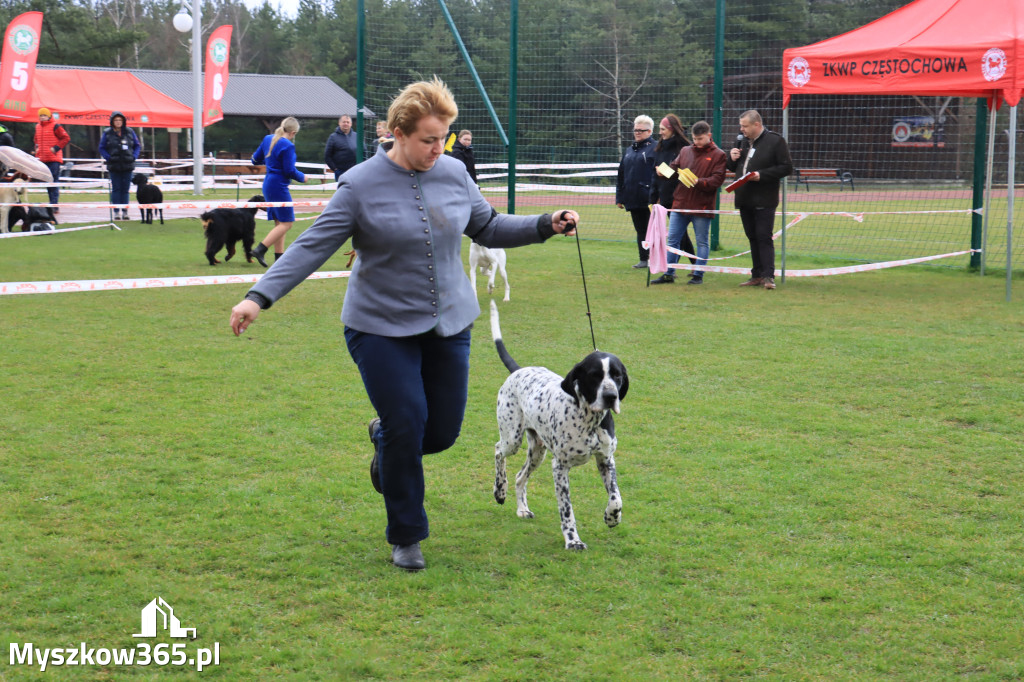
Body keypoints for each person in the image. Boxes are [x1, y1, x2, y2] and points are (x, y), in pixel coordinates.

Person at [229, 77, 579, 572]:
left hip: (450, 324)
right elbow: (311, 246)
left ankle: (383, 438)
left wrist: (545, 224)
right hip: (378, 328)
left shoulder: (456, 173)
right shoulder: (359, 185)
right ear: (397, 132)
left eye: (444, 139)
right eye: (428, 140)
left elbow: (489, 226)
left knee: (439, 433)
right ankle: (407, 535)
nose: (438, 149)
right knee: (406, 421)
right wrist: (258, 297)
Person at [726, 110, 793, 290]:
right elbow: (733, 167)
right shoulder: (741, 141)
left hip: (764, 197)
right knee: (752, 237)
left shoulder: (775, 141)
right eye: (741, 126)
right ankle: (756, 275)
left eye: (745, 126)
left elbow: (786, 168)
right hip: (744, 196)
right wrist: (730, 158)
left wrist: (761, 175)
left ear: (757, 124)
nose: (742, 129)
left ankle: (768, 276)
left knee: (764, 236)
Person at [654, 120, 726, 286]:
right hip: (680, 203)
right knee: (672, 239)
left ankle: (698, 274)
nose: (697, 142)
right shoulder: (686, 151)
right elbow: (674, 169)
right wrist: (662, 171)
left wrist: (697, 182)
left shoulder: (719, 155)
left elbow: (716, 180)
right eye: (694, 139)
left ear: (709, 136)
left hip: (702, 205)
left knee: (702, 241)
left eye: (700, 139)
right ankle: (668, 273)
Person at [251, 116, 307, 266]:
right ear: (293, 132)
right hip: (278, 186)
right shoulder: (288, 145)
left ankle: (279, 259)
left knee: (279, 222)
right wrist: (303, 177)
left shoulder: (267, 139)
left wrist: (271, 162)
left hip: (268, 184)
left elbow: (255, 160)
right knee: (287, 223)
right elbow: (289, 171)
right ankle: (260, 249)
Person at [648, 114, 694, 283]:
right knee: (680, 235)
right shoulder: (660, 148)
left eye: (662, 129)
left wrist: (666, 172)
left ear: (671, 129)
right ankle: (694, 264)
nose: (660, 133)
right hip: (664, 195)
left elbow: (684, 173)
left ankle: (675, 269)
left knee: (678, 235)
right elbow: (655, 174)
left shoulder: (684, 148)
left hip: (680, 196)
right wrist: (653, 198)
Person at [616, 115, 656, 269]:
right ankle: (643, 259)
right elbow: (621, 174)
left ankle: (655, 258)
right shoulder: (629, 150)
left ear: (650, 131)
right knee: (640, 230)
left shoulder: (655, 148)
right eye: (635, 130)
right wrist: (620, 197)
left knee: (651, 230)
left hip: (649, 198)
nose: (637, 133)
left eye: (641, 130)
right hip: (633, 198)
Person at [97, 112, 140, 220]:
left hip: (127, 164)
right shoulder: (107, 133)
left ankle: (125, 211)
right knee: (116, 189)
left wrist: (134, 156)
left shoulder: (130, 132)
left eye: (120, 120)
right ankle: (116, 211)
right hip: (114, 165)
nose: (118, 122)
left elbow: (137, 146)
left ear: (123, 121)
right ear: (112, 122)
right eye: (116, 120)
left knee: (125, 189)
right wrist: (108, 157)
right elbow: (101, 147)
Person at [33, 107, 70, 213]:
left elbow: (66, 138)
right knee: (47, 182)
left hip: (54, 159)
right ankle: (51, 203)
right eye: (41, 115)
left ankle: (54, 204)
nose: (43, 117)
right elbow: (36, 140)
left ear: (49, 116)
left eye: (44, 115)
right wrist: (37, 149)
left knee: (53, 181)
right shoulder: (37, 127)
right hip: (43, 159)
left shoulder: (56, 126)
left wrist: (56, 148)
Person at [324, 115, 357, 182]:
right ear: (339, 123)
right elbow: (327, 156)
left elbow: (364, 152)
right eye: (344, 122)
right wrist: (335, 169)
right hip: (341, 172)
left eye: (348, 122)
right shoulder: (333, 137)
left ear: (351, 124)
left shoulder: (357, 136)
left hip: (356, 171)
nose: (346, 124)